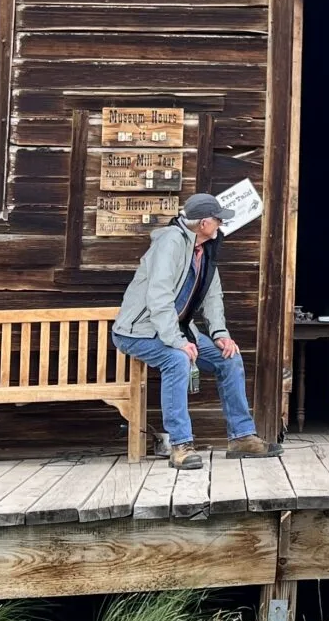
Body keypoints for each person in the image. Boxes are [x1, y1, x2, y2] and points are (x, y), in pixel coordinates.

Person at [112, 192, 266, 469]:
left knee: (229, 357)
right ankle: (180, 445)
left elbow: (213, 297)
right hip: (138, 333)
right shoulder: (171, 242)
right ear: (204, 223)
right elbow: (158, 297)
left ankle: (241, 437)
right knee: (177, 359)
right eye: (218, 220)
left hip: (178, 330)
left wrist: (220, 334)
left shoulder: (205, 251)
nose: (220, 224)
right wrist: (177, 341)